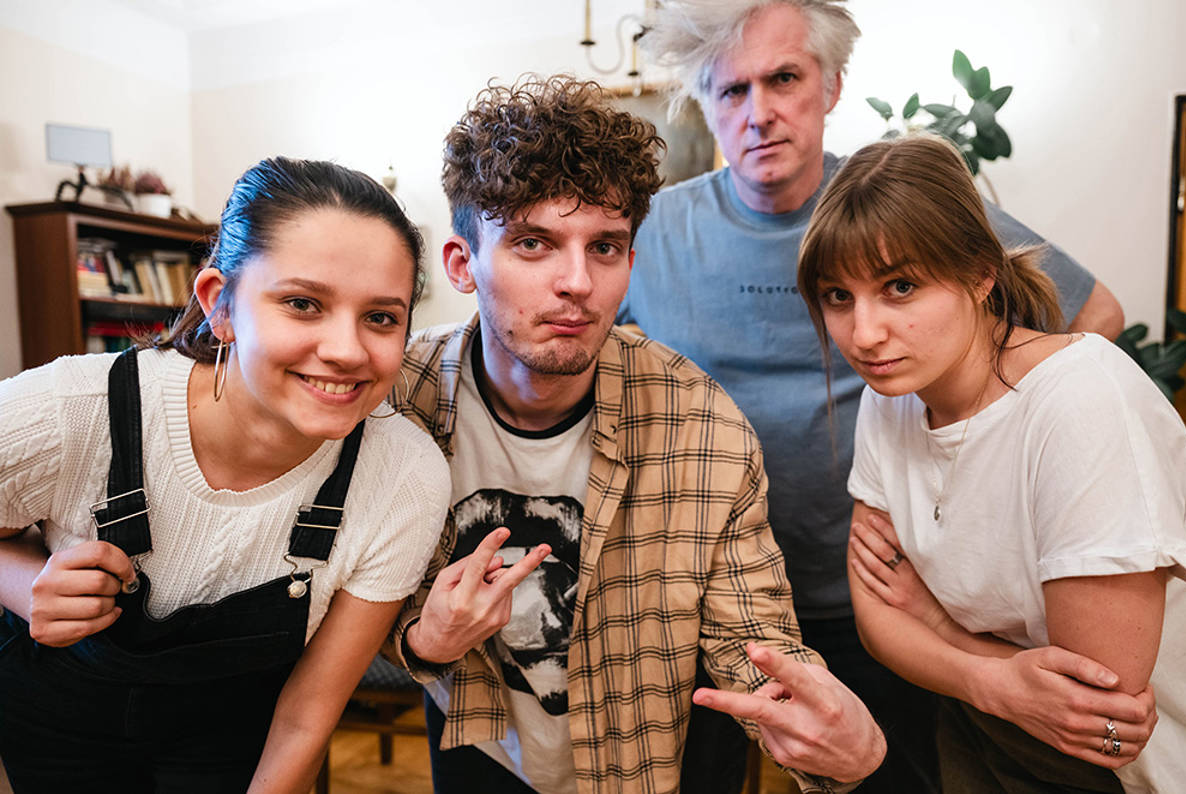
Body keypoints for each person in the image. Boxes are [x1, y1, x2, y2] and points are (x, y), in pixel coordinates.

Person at [620, 1, 1128, 789]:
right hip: (702, 605)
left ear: (830, 85)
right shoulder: (650, 234)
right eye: (731, 91)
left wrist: (985, 487)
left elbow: (1095, 318)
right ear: (707, 105)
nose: (760, 113)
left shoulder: (894, 207)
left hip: (881, 599)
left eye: (784, 78)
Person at [388, 74, 885, 794]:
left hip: (648, 758)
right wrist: (423, 639)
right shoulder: (398, 398)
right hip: (481, 740)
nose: (577, 283)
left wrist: (826, 733)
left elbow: (754, 637)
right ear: (463, 264)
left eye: (606, 248)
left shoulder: (700, 423)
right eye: (534, 244)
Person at [0, 157, 452, 793]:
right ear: (222, 304)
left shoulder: (403, 476)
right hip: (56, 724)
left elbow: (307, 715)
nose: (348, 350)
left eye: (381, 317)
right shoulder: (73, 410)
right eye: (302, 303)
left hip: (242, 735)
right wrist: (21, 583)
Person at [796, 132, 1186, 793]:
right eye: (838, 295)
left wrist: (934, 626)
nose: (863, 335)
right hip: (984, 739)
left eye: (900, 287)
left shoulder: (1080, 401)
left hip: (1128, 774)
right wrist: (996, 679)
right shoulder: (891, 399)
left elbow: (1094, 702)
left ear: (981, 274)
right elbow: (876, 617)